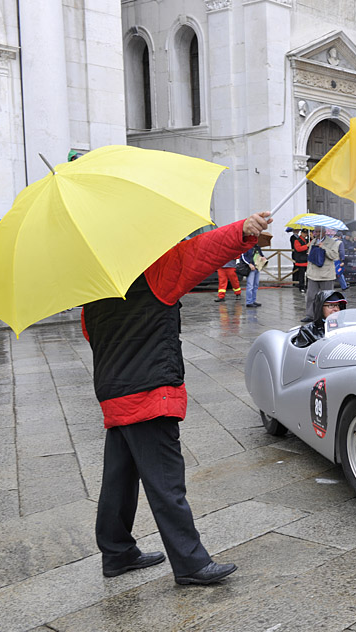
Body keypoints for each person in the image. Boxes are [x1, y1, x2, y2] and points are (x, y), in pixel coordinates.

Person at [83, 211, 271, 585]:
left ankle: (117, 552)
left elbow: (91, 335)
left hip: (114, 392)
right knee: (167, 482)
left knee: (118, 479)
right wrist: (242, 231)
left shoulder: (96, 292)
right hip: (150, 391)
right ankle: (190, 564)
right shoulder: (155, 272)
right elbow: (199, 251)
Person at [304, 227, 342, 319]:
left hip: (326, 275)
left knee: (328, 297)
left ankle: (329, 315)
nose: (316, 233)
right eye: (315, 232)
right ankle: (310, 315)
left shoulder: (332, 242)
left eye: (318, 232)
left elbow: (334, 256)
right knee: (311, 296)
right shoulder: (313, 241)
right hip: (313, 274)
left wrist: (323, 247)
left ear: (324, 232)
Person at [240, 242, 266, 308]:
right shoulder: (246, 246)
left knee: (256, 285)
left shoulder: (257, 247)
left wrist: (263, 258)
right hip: (250, 268)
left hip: (257, 267)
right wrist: (249, 263)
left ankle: (253, 300)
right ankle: (249, 302)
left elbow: (261, 255)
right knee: (250, 285)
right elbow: (243, 256)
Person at [289, 228, 309, 292]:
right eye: (304, 233)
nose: (305, 234)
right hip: (300, 260)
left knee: (308, 274)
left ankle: (307, 286)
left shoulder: (307, 240)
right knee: (301, 275)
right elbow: (298, 249)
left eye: (306, 233)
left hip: (306, 259)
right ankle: (301, 287)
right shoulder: (297, 240)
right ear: (301, 233)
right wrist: (307, 246)